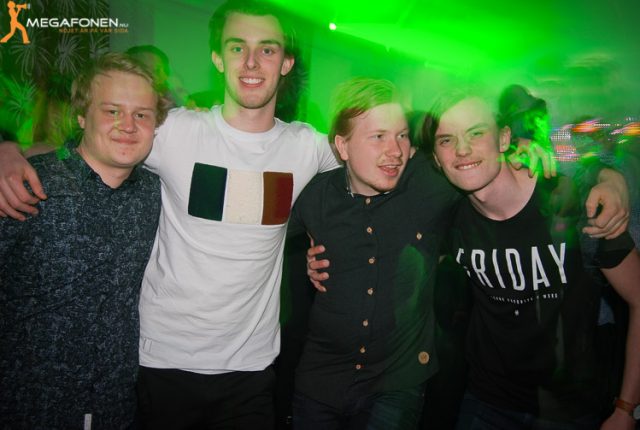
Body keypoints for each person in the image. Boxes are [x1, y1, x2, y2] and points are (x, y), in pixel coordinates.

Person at [0, 1, 340, 428]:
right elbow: (98, 141)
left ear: (286, 63)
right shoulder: (173, 131)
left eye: (267, 49)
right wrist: (9, 150)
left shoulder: (307, 147)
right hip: (162, 364)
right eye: (237, 47)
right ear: (218, 58)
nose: (252, 62)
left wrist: (329, 243)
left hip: (251, 369)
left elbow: (370, 168)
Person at [423, 89, 640, 430]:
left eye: (476, 133)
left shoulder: (573, 202)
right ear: (436, 158)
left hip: (571, 409)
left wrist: (625, 409)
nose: (462, 149)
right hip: (486, 401)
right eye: (447, 140)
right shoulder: (449, 215)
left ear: (504, 138)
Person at [0, 52, 169, 429]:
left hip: (116, 408)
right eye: (112, 111)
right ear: (81, 116)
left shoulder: (158, 193)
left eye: (141, 115)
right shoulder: (26, 185)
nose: (128, 125)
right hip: (27, 408)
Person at [288, 78, 459, 429]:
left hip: (396, 383)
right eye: (378, 136)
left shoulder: (428, 184)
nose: (395, 150)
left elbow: (485, 175)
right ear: (343, 146)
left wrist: (520, 154)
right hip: (321, 380)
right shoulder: (315, 196)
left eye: (402, 135)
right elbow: (255, 238)